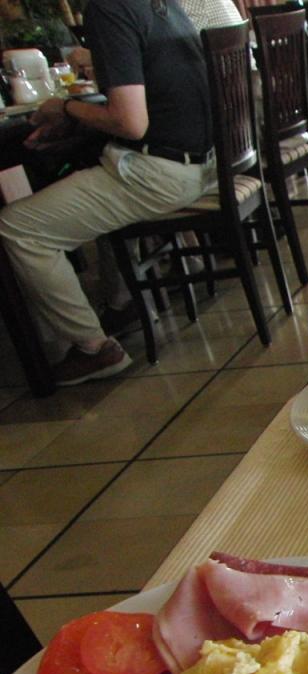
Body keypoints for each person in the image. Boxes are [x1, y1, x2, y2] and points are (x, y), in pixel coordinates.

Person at [0, 0, 214, 387]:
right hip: (201, 164)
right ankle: (122, 302)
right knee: (90, 170)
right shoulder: (161, 4)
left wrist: (66, 107)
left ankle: (94, 348)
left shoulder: (110, 8)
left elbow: (130, 123)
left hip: (159, 173)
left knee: (18, 227)